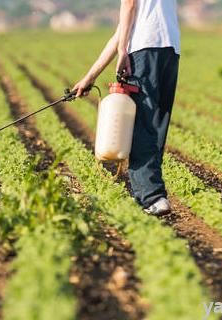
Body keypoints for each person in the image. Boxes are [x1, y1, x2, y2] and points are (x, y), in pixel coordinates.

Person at [72, 0, 180, 215]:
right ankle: (152, 194)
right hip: (170, 49)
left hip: (143, 50)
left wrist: (123, 50)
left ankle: (152, 197)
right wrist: (89, 77)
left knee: (142, 124)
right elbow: (123, 29)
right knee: (156, 123)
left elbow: (128, 6)